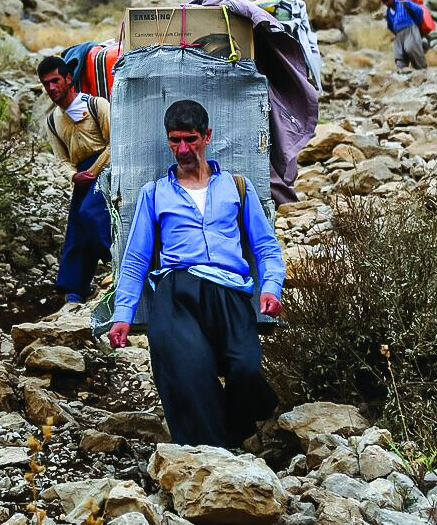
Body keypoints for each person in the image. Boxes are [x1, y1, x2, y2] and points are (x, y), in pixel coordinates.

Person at [107, 100, 285, 448]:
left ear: (207, 136)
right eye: (175, 141)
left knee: (246, 370)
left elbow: (265, 247)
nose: (183, 149)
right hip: (177, 293)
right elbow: (136, 259)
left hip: (230, 292)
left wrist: (271, 288)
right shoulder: (155, 193)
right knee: (189, 374)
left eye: (190, 139)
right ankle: (210, 454)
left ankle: (239, 424)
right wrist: (123, 315)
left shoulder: (236, 186)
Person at [39, 56, 112, 305]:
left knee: (91, 214)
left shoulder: (97, 105)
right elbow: (61, 159)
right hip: (81, 176)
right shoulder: (52, 121)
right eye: (46, 84)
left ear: (68, 79)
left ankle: (118, 264)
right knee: (78, 229)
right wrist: (74, 176)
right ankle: (76, 288)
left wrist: (94, 170)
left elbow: (116, 142)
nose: (51, 88)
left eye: (55, 81)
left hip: (106, 169)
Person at [381, 0, 428, 71]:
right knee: (399, 56)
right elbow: (390, 26)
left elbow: (419, 11)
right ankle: (404, 73)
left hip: (410, 29)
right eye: (385, 1)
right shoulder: (388, 12)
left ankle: (422, 69)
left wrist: (415, 23)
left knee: (410, 48)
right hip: (398, 35)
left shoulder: (404, 3)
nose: (387, 2)